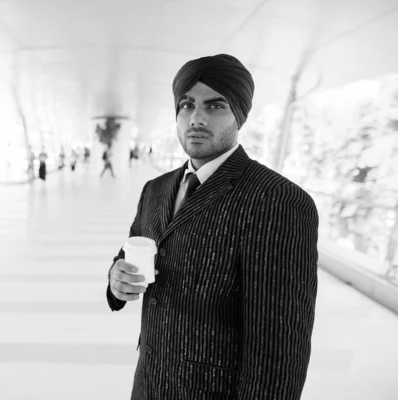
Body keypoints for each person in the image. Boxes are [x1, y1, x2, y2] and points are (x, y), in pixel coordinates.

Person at [106, 54, 318, 399]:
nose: (196, 118)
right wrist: (116, 280)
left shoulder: (277, 200)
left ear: (239, 115)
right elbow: (128, 254)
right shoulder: (155, 189)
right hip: (148, 384)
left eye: (215, 105)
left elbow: (278, 350)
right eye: (186, 105)